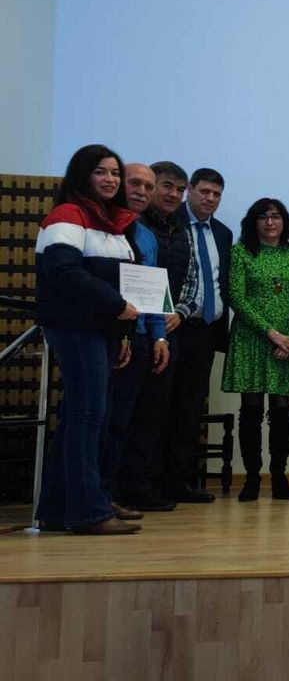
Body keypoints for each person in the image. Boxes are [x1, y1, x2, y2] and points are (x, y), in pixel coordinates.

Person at [34, 144, 143, 534]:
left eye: (115, 172)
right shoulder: (67, 217)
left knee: (83, 418)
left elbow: (127, 286)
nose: (111, 179)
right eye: (101, 172)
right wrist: (116, 306)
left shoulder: (112, 224)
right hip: (76, 330)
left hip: (104, 332)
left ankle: (60, 507)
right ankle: (88, 512)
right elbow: (65, 274)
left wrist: (123, 331)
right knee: (86, 416)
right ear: (82, 175)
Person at [118, 160, 199, 512]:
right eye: (165, 186)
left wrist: (177, 314)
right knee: (122, 416)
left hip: (164, 333)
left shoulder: (180, 230)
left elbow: (191, 277)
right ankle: (117, 488)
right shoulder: (128, 227)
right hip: (123, 332)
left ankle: (144, 485)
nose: (172, 195)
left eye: (178, 190)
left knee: (156, 413)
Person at [221, 197, 289, 502]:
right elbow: (236, 298)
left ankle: (279, 476)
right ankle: (251, 479)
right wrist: (272, 334)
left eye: (276, 216)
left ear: (284, 221)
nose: (270, 222)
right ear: (253, 221)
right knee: (252, 410)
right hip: (252, 339)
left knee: (282, 411)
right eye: (263, 217)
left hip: (287, 342)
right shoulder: (241, 252)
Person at [103, 163, 173, 522]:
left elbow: (151, 289)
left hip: (145, 340)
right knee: (107, 420)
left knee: (136, 420)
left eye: (148, 185)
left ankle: (125, 491)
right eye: (135, 183)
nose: (142, 191)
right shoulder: (102, 227)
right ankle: (102, 495)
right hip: (111, 338)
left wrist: (159, 335)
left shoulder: (145, 235)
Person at [162, 167, 232, 504]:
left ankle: (180, 481)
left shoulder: (222, 233)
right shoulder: (169, 223)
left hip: (204, 332)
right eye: (204, 191)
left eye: (217, 194)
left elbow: (219, 282)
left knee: (190, 409)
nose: (210, 199)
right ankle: (149, 482)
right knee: (161, 406)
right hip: (171, 327)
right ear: (189, 189)